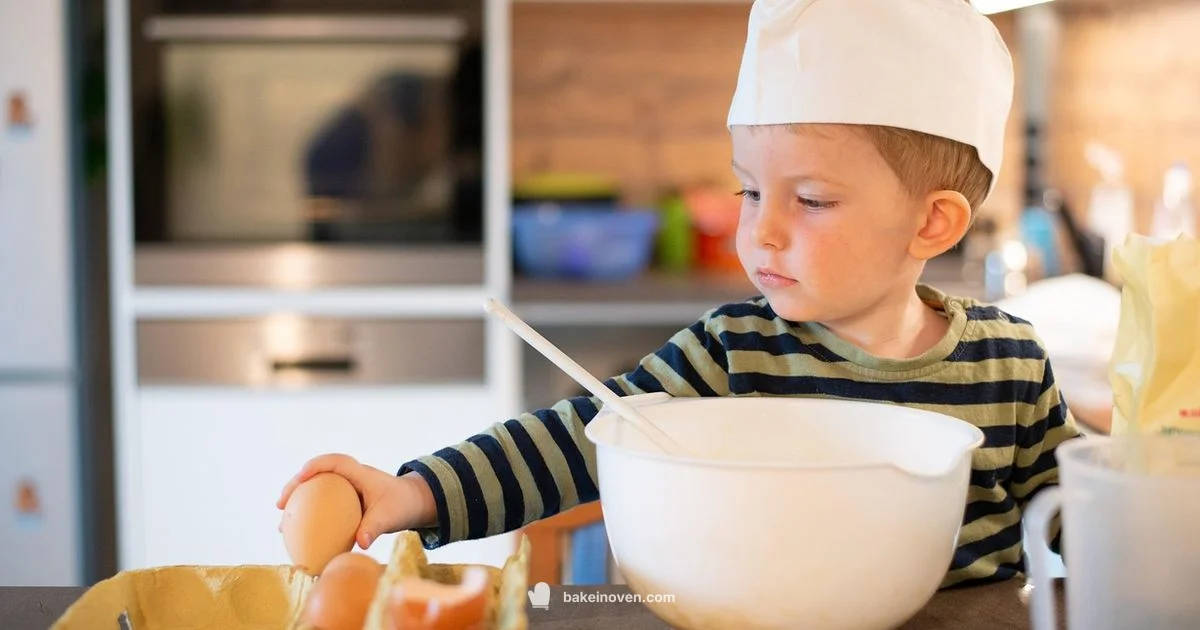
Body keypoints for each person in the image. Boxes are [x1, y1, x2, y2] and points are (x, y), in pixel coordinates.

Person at [277, 0, 1081, 589]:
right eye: (749, 193)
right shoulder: (732, 352)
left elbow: (1087, 521)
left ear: (933, 224)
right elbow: (573, 443)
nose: (760, 233)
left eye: (810, 200)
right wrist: (414, 492)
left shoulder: (1008, 363)